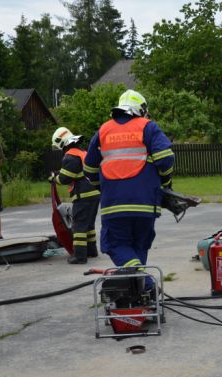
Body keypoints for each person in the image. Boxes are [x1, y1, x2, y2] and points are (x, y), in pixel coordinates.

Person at [84, 89, 174, 284]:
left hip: (114, 205)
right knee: (139, 246)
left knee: (116, 245)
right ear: (141, 109)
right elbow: (165, 159)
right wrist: (165, 182)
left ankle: (146, 286)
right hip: (145, 205)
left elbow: (89, 169)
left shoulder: (103, 131)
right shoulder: (148, 127)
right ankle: (142, 296)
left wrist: (106, 187)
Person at [50, 127, 101, 264]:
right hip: (94, 193)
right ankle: (91, 251)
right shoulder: (82, 152)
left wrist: (55, 179)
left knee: (78, 225)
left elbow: (65, 178)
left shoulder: (71, 156)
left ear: (61, 143)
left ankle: (80, 256)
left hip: (83, 195)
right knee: (89, 225)